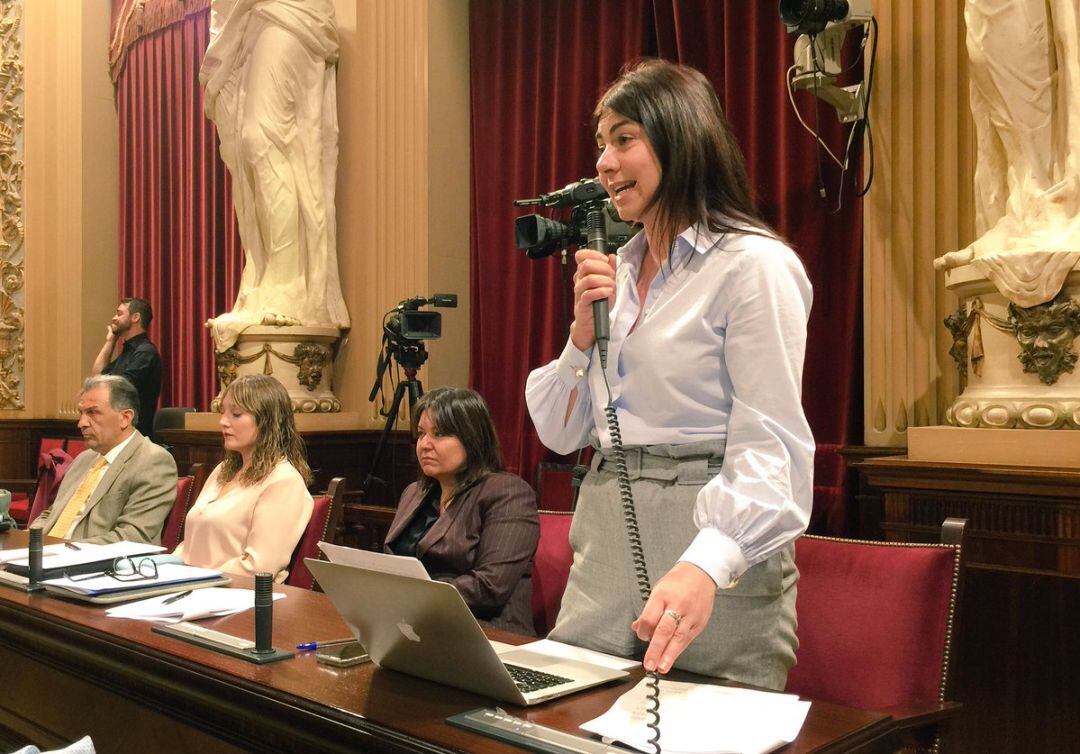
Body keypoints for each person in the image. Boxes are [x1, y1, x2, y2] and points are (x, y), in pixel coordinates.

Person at [524, 59, 815, 690]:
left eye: (624, 139)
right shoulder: (617, 272)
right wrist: (579, 340)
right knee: (567, 725)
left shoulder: (753, 266)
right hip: (602, 535)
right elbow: (557, 431)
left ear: (681, 141)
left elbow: (772, 443)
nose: (602, 163)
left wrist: (708, 565)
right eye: (601, 144)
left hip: (709, 542)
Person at [200, 0, 350, 351]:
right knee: (246, 154)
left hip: (288, 10)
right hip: (248, 19)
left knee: (262, 138)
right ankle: (271, 278)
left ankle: (288, 283)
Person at [385, 387, 539, 636]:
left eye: (440, 434)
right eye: (421, 434)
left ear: (472, 437)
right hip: (415, 627)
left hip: (488, 634)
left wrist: (414, 594)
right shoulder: (414, 492)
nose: (424, 445)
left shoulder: (507, 492)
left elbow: (490, 586)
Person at [173, 374, 313, 582]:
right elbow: (190, 547)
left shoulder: (283, 481)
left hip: (237, 597)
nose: (223, 422)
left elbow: (258, 567)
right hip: (193, 588)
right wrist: (165, 574)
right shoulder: (223, 470)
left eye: (236, 414)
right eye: (223, 413)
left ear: (267, 421)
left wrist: (194, 580)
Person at [33, 375, 177, 545]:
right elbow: (52, 513)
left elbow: (132, 537)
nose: (82, 423)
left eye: (93, 412)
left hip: (96, 564)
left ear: (125, 418)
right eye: (82, 413)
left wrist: (63, 551)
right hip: (49, 556)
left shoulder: (153, 461)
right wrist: (29, 540)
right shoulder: (83, 459)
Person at [91, 297, 162, 439]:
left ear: (135, 317)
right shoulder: (129, 352)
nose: (114, 318)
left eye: (119, 313)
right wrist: (111, 341)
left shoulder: (145, 352)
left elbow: (120, 390)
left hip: (135, 436)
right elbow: (97, 377)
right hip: (120, 433)